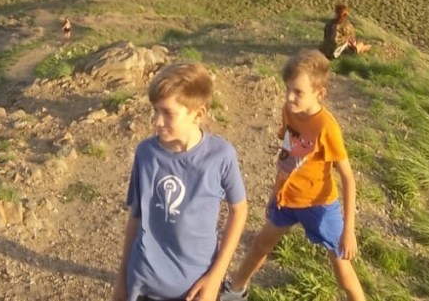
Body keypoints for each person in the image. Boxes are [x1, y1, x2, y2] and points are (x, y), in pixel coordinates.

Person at [221, 50, 365, 301]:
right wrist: (274, 193)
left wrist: (348, 230)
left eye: (298, 92)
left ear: (319, 93)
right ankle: (235, 292)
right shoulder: (289, 112)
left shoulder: (326, 127)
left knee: (342, 268)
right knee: (259, 246)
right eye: (287, 89)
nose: (289, 97)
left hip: (319, 205)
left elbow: (348, 177)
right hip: (286, 200)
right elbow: (288, 154)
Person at [114, 62, 248, 301]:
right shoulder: (145, 153)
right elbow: (136, 217)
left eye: (168, 113)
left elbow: (239, 210)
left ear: (198, 114)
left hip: (195, 289)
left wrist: (216, 277)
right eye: (155, 110)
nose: (157, 121)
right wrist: (122, 279)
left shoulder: (220, 156)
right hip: (143, 283)